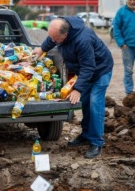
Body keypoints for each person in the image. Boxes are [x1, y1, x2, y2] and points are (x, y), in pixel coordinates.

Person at [32, 16, 113, 159]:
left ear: (66, 34)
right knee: (85, 103)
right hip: (85, 72)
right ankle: (86, 135)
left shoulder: (83, 40)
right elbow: (51, 39)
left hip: (100, 71)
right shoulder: (60, 31)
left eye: (57, 39)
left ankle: (96, 143)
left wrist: (77, 89)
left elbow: (89, 67)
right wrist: (42, 49)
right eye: (53, 38)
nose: (54, 41)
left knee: (95, 104)